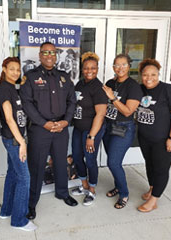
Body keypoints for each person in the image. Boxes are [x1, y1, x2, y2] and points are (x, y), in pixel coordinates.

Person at [20, 41, 78, 220]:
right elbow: (26, 103)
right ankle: (31, 203)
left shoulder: (64, 77)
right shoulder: (30, 77)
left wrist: (65, 121)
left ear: (56, 55)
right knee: (36, 166)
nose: (49, 56)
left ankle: (62, 192)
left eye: (52, 53)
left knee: (61, 162)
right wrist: (43, 123)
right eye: (45, 52)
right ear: (39, 55)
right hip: (40, 130)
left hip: (61, 128)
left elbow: (72, 101)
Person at [136, 59, 171, 212]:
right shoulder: (140, 89)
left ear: (159, 74)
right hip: (145, 138)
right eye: (145, 75)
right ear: (141, 75)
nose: (149, 78)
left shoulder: (169, 90)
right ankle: (152, 189)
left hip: (164, 140)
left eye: (153, 74)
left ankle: (154, 200)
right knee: (150, 165)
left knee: (160, 169)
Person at [0, 57, 37, 231]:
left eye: (18, 69)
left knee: (13, 173)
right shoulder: (5, 89)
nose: (15, 72)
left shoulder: (12, 87)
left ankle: (6, 210)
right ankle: (19, 220)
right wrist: (22, 142)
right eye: (11, 69)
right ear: (4, 69)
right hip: (14, 140)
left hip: (14, 139)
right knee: (24, 178)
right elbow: (8, 118)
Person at [102, 53, 143, 209]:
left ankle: (124, 193)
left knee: (113, 162)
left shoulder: (134, 87)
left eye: (123, 65)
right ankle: (118, 186)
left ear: (129, 66)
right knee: (114, 162)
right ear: (113, 67)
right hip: (108, 127)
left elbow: (127, 111)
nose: (120, 68)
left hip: (123, 127)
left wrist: (113, 98)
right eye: (117, 65)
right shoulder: (110, 83)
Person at [70, 52, 108, 206]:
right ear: (82, 69)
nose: (89, 71)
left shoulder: (98, 88)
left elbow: (100, 114)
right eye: (86, 68)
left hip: (92, 130)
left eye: (93, 68)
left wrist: (91, 136)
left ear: (97, 69)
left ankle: (91, 189)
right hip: (78, 129)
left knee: (90, 160)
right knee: (77, 157)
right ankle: (84, 185)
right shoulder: (80, 84)